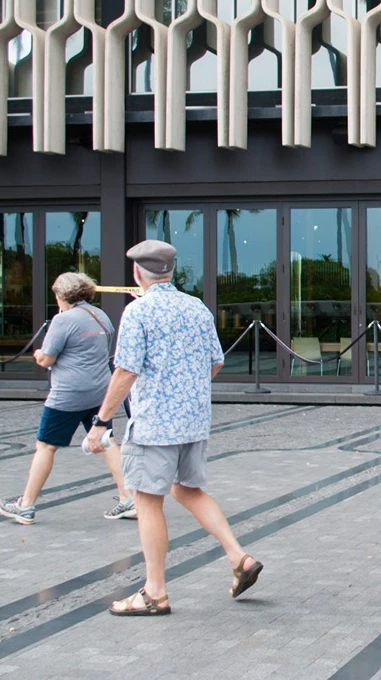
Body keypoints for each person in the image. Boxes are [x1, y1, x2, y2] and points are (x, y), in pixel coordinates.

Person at [81, 240, 263, 616]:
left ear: (137, 273)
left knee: (148, 503)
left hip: (154, 424)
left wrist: (100, 422)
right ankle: (238, 557)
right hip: (194, 420)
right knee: (190, 490)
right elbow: (216, 362)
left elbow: (125, 371)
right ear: (171, 271)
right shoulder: (196, 307)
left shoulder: (139, 312)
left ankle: (154, 593)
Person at [0, 272, 135, 525]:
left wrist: (38, 355)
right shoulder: (101, 316)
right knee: (106, 440)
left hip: (68, 392)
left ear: (62, 295)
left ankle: (25, 505)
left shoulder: (63, 321)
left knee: (46, 446)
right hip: (100, 388)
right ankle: (128, 498)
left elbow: (48, 358)